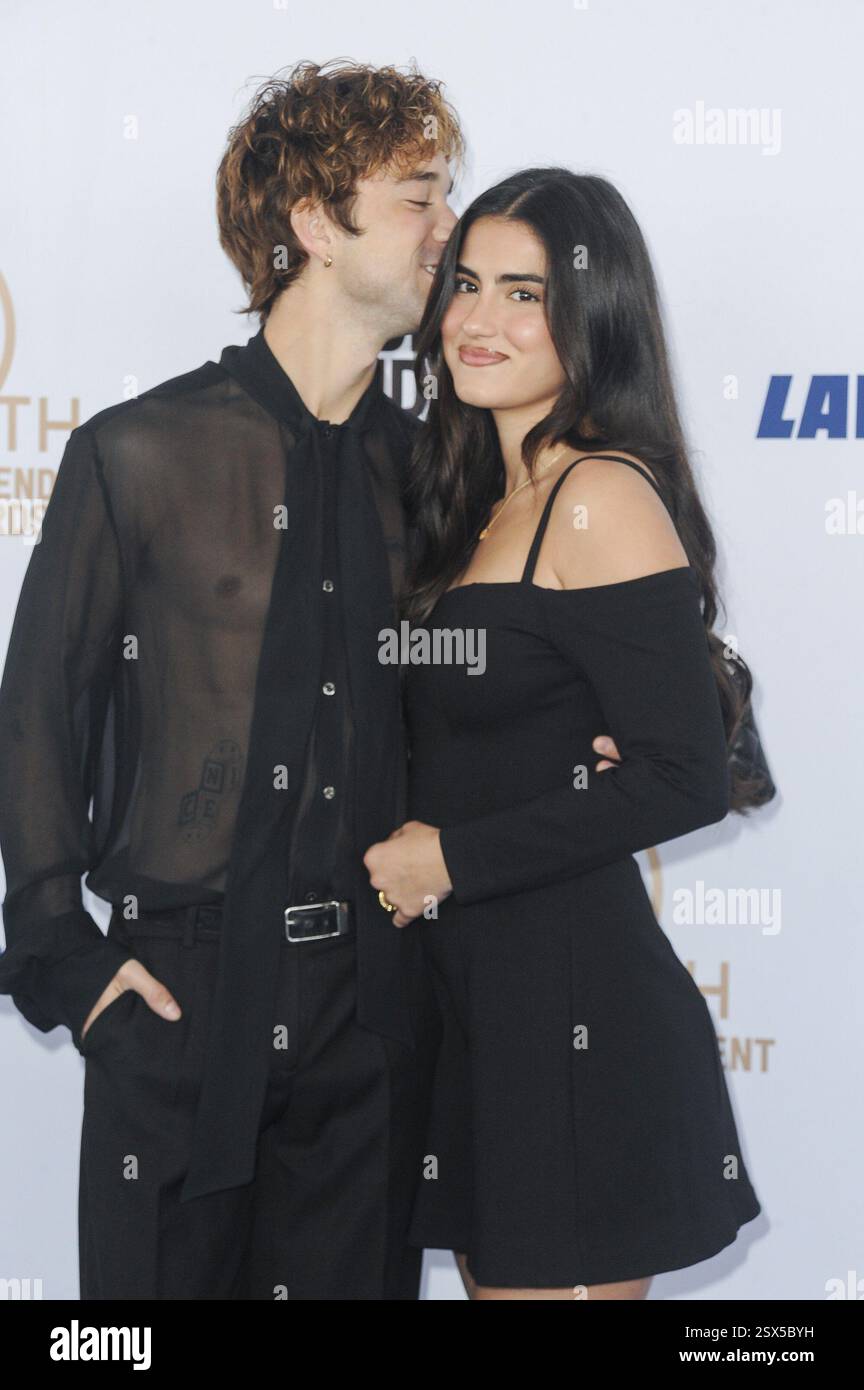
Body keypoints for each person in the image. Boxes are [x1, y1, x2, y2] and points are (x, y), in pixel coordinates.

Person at [0, 58, 476, 1300]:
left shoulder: (437, 477)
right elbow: (41, 710)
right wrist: (64, 956)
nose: (448, 228)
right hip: (178, 1000)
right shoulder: (139, 452)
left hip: (375, 1012)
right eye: (420, 197)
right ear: (317, 225)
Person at [362, 168, 765, 1300]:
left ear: (593, 320)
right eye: (468, 285)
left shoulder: (598, 495)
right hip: (474, 997)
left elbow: (687, 776)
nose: (480, 321)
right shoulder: (479, 496)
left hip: (571, 999)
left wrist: (449, 859)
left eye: (525, 295)